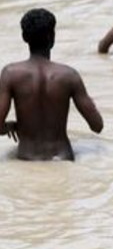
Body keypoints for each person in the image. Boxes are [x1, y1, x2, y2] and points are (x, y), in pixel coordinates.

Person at [0, 9, 103, 161]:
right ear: (52, 37)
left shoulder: (10, 74)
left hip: (27, 160)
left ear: (24, 37)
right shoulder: (69, 75)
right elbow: (97, 125)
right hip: (62, 159)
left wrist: (11, 126)